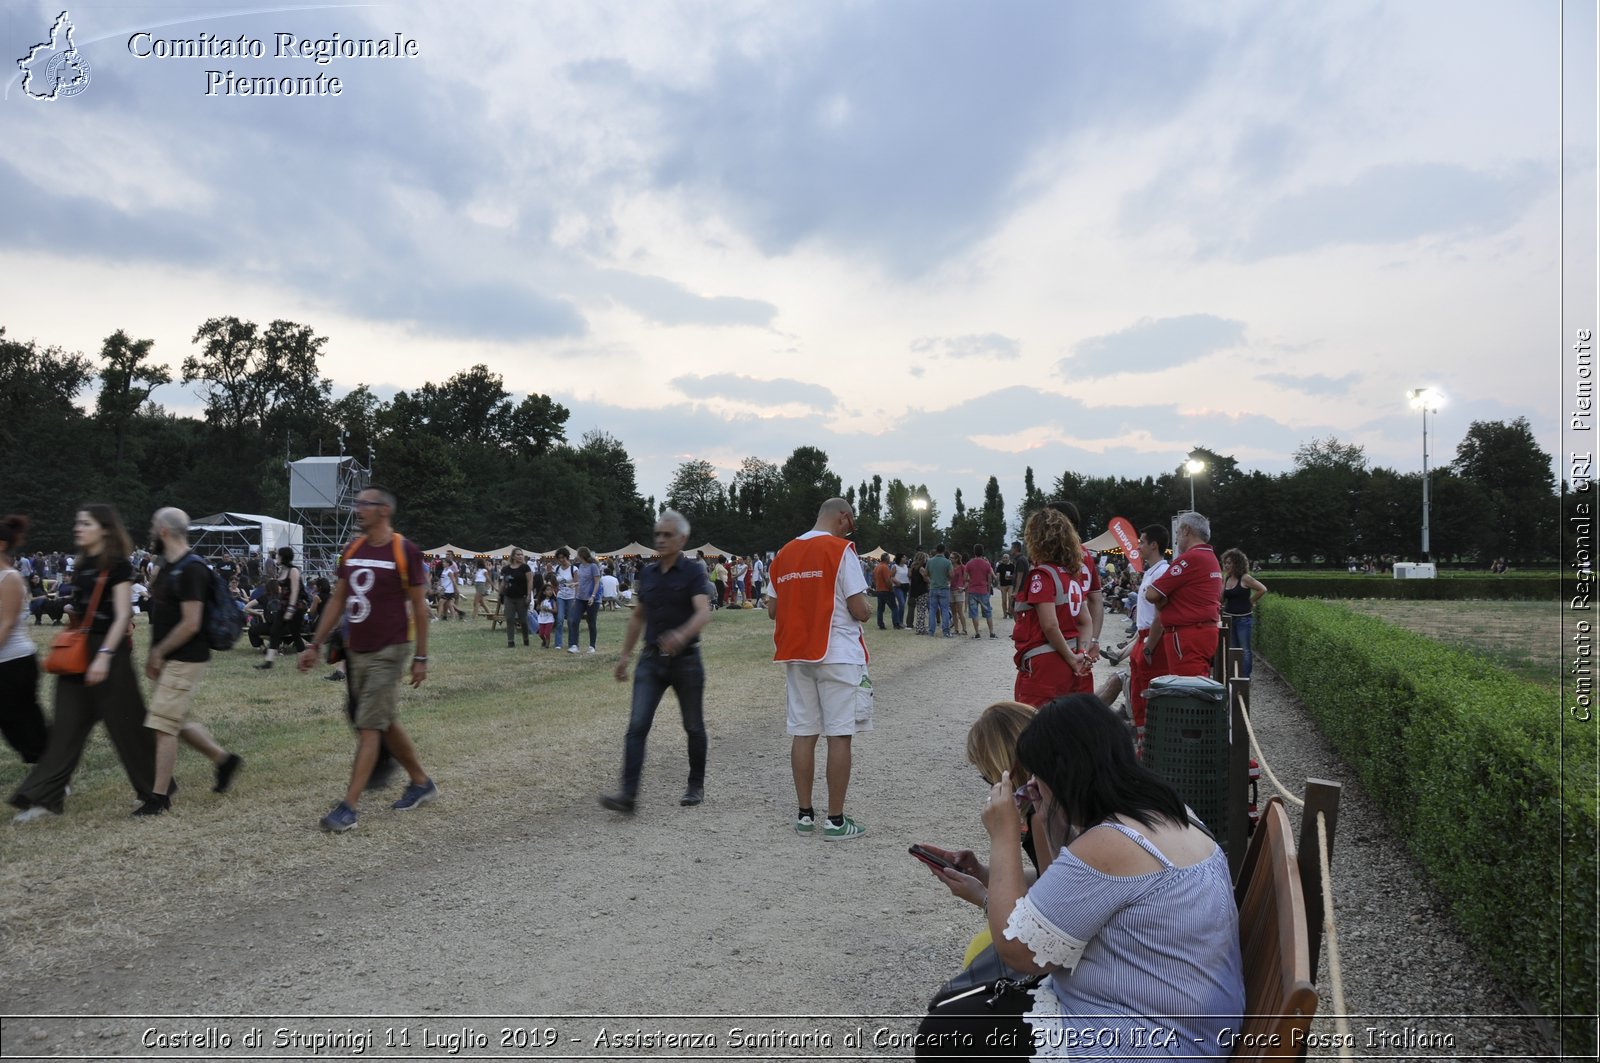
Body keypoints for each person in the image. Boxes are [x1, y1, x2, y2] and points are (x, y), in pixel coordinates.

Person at [915, 694, 1244, 1058]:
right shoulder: (1163, 811)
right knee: (955, 1015)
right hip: (1184, 1020)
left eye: (1039, 777)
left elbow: (1019, 953)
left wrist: (1005, 834)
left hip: (1150, 1039)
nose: (1035, 788)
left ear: (1065, 772)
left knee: (943, 1032)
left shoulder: (1110, 844)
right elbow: (1055, 888)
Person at [297, 485, 438, 833]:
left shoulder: (405, 551)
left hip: (389, 650)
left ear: (383, 510)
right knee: (384, 721)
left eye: (364, 504)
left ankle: (349, 808)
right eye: (357, 503)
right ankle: (421, 781)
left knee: (369, 726)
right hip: (356, 650)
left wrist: (420, 656)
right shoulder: (354, 548)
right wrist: (314, 644)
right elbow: (337, 600)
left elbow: (420, 608)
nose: (357, 509)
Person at [11, 505, 160, 822]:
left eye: (85, 523)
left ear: (104, 528)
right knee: (65, 727)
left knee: (127, 725)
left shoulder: (117, 565)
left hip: (109, 651)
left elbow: (123, 615)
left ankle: (154, 793)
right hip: (79, 650)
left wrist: (104, 657)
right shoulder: (81, 564)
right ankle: (44, 798)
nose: (78, 527)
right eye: (77, 522)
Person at [766, 498, 872, 840]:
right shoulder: (841, 551)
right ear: (843, 517)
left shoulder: (784, 553)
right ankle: (836, 821)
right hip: (838, 652)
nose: (849, 529)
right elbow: (859, 608)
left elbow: (772, 608)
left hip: (797, 653)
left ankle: (805, 815)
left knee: (803, 732)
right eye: (850, 523)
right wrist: (865, 608)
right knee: (839, 734)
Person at [600, 511, 713, 812]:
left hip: (686, 661)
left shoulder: (694, 572)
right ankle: (628, 795)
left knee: (693, 725)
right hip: (650, 661)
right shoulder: (647, 573)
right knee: (637, 726)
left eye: (667, 535)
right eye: (658, 535)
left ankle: (695, 784)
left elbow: (703, 612)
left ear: (683, 539)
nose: (660, 540)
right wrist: (624, 656)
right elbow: (639, 615)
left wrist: (681, 634)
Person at [139, 507, 242, 815]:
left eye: (153, 527)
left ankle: (159, 798)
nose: (150, 533)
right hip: (172, 656)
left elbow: (191, 623)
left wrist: (158, 652)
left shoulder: (193, 569)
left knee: (163, 725)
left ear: (165, 532)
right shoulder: (169, 566)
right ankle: (224, 761)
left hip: (187, 656)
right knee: (174, 721)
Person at [1011, 508, 1094, 707]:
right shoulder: (1070, 575)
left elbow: (1049, 625)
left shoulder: (1042, 575)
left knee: (1035, 725)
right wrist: (1081, 653)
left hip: (1047, 664)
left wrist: (1070, 658)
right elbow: (1085, 621)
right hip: (1074, 657)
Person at [1145, 512, 1223, 678]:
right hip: (1201, 632)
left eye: (1178, 533)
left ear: (1186, 530)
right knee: (1197, 683)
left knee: (1186, 689)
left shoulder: (1190, 558)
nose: (1176, 540)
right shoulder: (1210, 557)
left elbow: (1151, 594)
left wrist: (1163, 602)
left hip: (1187, 636)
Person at [0, 515, 48, 765]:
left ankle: (51, 775)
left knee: (23, 722)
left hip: (14, 662)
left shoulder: (10, 578)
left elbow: (7, 623)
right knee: (12, 724)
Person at [1220, 548, 1268, 678]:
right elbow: (1221, 599)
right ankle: (1234, 676)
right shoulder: (1226, 578)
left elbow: (1262, 589)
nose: (1226, 565)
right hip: (1229, 618)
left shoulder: (1245, 578)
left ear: (1237, 563)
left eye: (1229, 563)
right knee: (1232, 649)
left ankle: (1245, 678)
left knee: (1245, 649)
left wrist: (1251, 601)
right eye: (1225, 563)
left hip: (1243, 619)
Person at [255, 546, 305, 670]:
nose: (276, 557)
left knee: (295, 634)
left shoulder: (293, 570)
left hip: (295, 607)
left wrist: (291, 609)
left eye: (278, 555)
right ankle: (269, 662)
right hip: (283, 606)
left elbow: (295, 590)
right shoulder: (282, 570)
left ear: (284, 557)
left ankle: (303, 662)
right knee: (274, 632)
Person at [571, 546, 603, 655]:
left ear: (581, 555)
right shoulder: (580, 566)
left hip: (591, 598)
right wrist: (575, 585)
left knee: (591, 622)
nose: (576, 557)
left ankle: (592, 646)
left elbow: (597, 582)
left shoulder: (593, 567)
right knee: (574, 621)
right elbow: (582, 581)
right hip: (580, 597)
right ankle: (575, 645)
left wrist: (593, 596)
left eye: (577, 554)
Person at [501, 549, 534, 648]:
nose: (520, 556)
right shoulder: (506, 569)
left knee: (523, 620)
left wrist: (528, 595)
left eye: (521, 554)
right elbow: (503, 581)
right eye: (518, 554)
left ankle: (525, 639)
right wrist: (500, 592)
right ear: (513, 556)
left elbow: (530, 581)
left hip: (522, 597)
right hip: (509, 597)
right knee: (510, 619)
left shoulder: (525, 567)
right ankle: (510, 641)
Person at [964, 543, 997, 639]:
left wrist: (972, 579)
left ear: (974, 552)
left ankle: (977, 633)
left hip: (972, 591)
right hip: (983, 590)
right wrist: (987, 588)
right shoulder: (987, 564)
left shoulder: (969, 564)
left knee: (974, 613)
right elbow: (990, 578)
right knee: (988, 612)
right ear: (983, 552)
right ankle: (991, 633)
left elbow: (965, 578)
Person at [924, 543, 954, 638]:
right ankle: (945, 632)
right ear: (944, 551)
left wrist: (931, 579)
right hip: (944, 588)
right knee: (944, 610)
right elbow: (951, 575)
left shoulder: (930, 561)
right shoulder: (947, 562)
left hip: (933, 588)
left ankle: (931, 631)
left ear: (936, 550)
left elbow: (925, 574)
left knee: (932, 610)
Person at [551, 548, 576, 650]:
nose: (561, 560)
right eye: (559, 558)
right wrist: (555, 592)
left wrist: (575, 598)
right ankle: (558, 643)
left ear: (567, 557)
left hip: (571, 597)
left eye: (563, 557)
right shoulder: (557, 569)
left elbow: (577, 584)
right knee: (560, 619)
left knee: (570, 620)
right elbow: (555, 583)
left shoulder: (573, 569)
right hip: (561, 596)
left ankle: (571, 643)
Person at [872, 554, 902, 630]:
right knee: (894, 608)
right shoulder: (885, 567)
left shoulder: (877, 567)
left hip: (879, 590)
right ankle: (896, 624)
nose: (890, 559)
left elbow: (874, 579)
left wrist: (877, 587)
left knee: (880, 609)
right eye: (889, 558)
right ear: (886, 559)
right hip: (886, 590)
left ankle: (880, 624)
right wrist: (891, 588)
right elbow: (887, 580)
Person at [907, 550, 930, 634]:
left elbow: (909, 576)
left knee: (918, 610)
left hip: (914, 591)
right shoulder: (921, 568)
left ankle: (919, 627)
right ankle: (920, 629)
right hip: (922, 591)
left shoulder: (912, 567)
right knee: (922, 610)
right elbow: (926, 579)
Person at [949, 549, 969, 637]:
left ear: (957, 559)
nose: (950, 559)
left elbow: (968, 580)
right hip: (950, 590)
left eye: (952, 558)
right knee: (953, 611)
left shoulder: (962, 567)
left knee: (960, 611)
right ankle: (956, 629)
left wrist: (964, 588)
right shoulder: (949, 567)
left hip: (959, 590)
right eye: (950, 557)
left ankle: (964, 629)